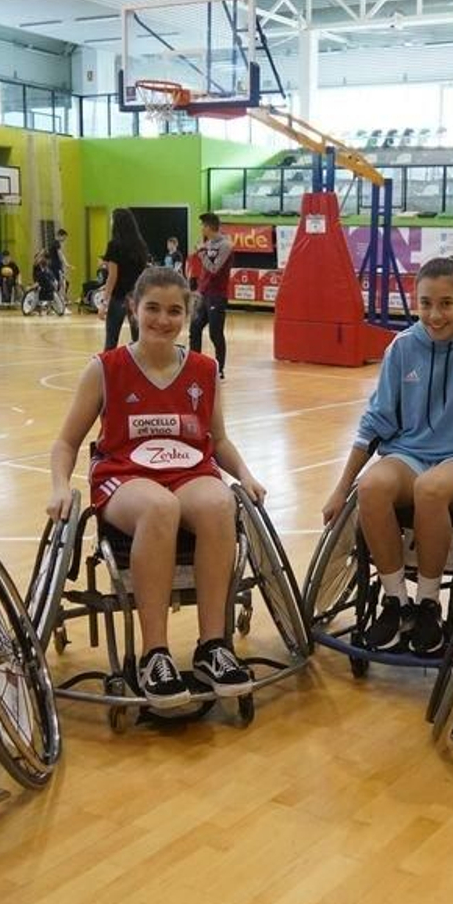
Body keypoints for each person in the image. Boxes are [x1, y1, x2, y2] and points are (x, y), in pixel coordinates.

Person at [47, 266, 264, 707]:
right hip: (125, 476)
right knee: (159, 507)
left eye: (173, 311)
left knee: (220, 503)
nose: (163, 320)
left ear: (188, 313)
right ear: (133, 308)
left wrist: (246, 474)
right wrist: (56, 486)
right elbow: (66, 441)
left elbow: (218, 441)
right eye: (153, 309)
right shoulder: (105, 369)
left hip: (189, 470)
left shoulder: (204, 369)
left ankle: (211, 646)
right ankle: (154, 653)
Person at [319, 257, 453, 658]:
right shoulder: (402, 346)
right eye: (425, 303)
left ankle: (429, 603)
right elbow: (376, 422)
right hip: (409, 451)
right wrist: (340, 489)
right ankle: (396, 602)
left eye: (445, 303)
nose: (434, 314)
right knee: (372, 487)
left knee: (431, 490)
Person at [98, 207, 152, 351]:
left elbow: (112, 276)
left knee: (111, 340)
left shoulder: (114, 245)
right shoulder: (141, 245)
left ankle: (107, 371)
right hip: (137, 297)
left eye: (112, 219)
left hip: (119, 297)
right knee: (138, 341)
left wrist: (104, 302)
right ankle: (141, 371)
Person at [190, 213, 232, 378]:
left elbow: (214, 269)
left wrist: (201, 255)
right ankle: (194, 364)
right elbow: (204, 272)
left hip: (217, 295)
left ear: (209, 226)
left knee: (215, 333)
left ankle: (219, 368)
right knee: (194, 328)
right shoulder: (206, 244)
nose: (201, 228)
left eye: (202, 225)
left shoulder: (225, 245)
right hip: (203, 294)